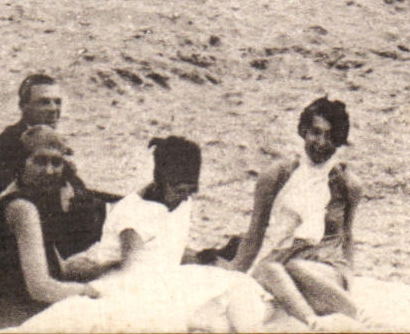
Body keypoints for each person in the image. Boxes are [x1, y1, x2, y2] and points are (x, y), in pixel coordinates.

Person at [31, 137, 266, 332]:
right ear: (158, 181)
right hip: (130, 287)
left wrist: (205, 258)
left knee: (238, 287)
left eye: (190, 190)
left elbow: (164, 247)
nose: (184, 196)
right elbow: (131, 272)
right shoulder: (134, 215)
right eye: (179, 190)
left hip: (163, 279)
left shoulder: (180, 201)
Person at [230, 97, 363, 331]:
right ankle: (313, 323)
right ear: (303, 131)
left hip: (325, 267)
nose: (321, 142)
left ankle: (354, 313)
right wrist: (234, 275)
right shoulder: (277, 175)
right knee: (267, 269)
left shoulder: (347, 184)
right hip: (283, 260)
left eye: (331, 136)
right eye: (316, 132)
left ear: (339, 140)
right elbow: (255, 232)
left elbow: (348, 236)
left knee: (296, 268)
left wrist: (349, 279)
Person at [0, 75, 107, 276]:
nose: (53, 108)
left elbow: (70, 185)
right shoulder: (9, 145)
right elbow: (12, 201)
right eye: (44, 102)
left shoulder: (45, 139)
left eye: (57, 102)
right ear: (23, 106)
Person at [0, 125, 103, 328]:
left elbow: (48, 269)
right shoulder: (22, 209)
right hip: (21, 321)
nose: (49, 171)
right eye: (40, 161)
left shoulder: (18, 198)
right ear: (21, 163)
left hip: (8, 316)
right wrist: (86, 291)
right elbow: (41, 288)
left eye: (56, 162)